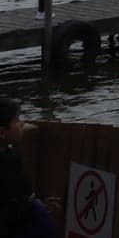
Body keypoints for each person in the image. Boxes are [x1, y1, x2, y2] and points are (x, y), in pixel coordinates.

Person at [0, 98, 61, 238]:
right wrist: (31, 207)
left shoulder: (11, 150)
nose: (22, 123)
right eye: (16, 120)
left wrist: (38, 201)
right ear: (2, 132)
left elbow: (21, 189)